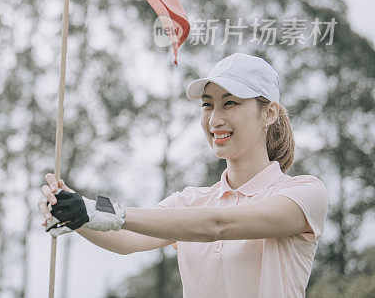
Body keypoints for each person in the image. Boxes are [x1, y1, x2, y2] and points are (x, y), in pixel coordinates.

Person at [38, 52, 329, 298]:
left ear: (269, 113)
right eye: (207, 104)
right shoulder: (190, 201)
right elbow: (127, 239)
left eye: (230, 102)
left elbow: (218, 225)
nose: (215, 119)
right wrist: (74, 211)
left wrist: (105, 211)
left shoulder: (303, 194)